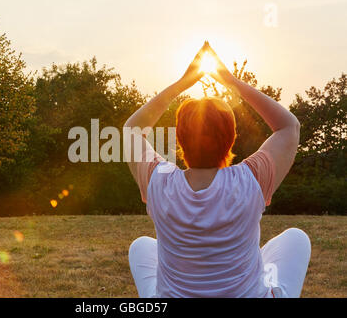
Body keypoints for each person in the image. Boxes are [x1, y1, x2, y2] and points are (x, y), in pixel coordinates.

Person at [123, 41, 311, 298]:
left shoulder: (159, 181)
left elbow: (131, 130)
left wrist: (182, 84)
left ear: (179, 140)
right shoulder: (250, 179)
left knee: (141, 247)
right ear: (231, 138)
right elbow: (289, 126)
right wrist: (233, 82)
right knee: (296, 239)